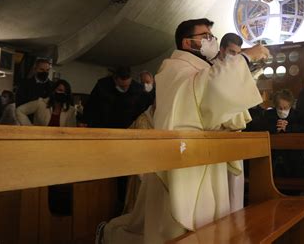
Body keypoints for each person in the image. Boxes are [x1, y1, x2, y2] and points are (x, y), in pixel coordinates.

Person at [98, 18, 269, 244]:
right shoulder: (174, 67)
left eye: (212, 35)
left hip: (206, 155)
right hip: (183, 158)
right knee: (174, 229)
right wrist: (245, 57)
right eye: (205, 36)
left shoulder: (204, 69)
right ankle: (109, 235)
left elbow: (222, 103)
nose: (212, 40)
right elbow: (211, 89)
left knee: (208, 223)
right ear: (188, 43)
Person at [82, 66, 151, 129]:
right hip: (103, 126)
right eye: (122, 86)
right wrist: (85, 120)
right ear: (114, 79)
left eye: (127, 86)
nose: (125, 89)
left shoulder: (137, 89)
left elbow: (142, 109)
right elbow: (90, 105)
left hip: (126, 128)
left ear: (131, 79)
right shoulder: (102, 86)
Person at [263, 89, 304, 177]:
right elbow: (261, 127)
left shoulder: (298, 115)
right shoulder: (268, 114)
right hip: (273, 155)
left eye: (285, 108)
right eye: (280, 108)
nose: (282, 111)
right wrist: (275, 128)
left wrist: (288, 128)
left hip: (293, 156)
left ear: (290, 105)